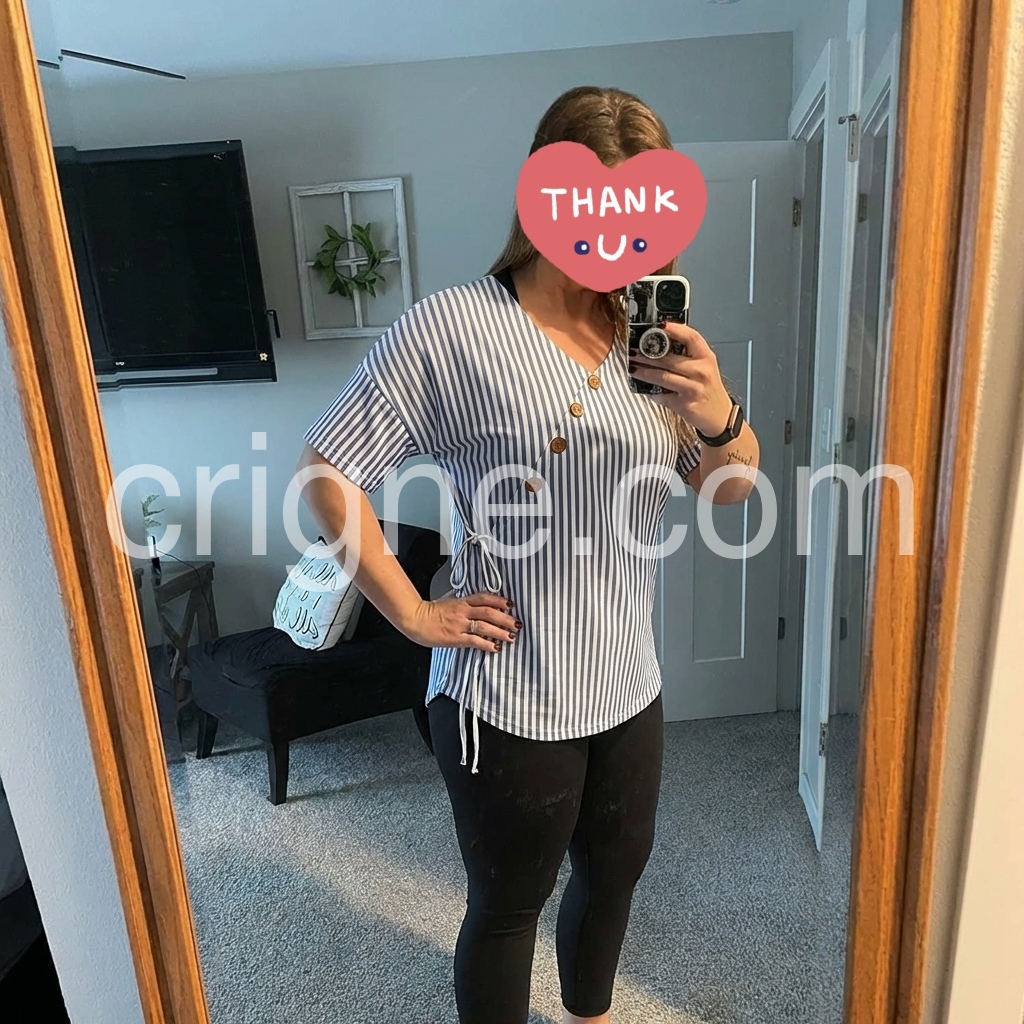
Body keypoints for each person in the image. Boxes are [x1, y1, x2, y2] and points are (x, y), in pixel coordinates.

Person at [297, 85, 760, 1024]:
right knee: (509, 907)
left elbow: (728, 491)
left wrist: (718, 414)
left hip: (626, 679)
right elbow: (325, 472)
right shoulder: (453, 328)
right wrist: (411, 613)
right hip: (507, 690)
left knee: (615, 877)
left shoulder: (646, 343)